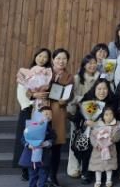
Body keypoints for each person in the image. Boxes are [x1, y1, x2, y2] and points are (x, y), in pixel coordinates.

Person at [13, 48, 52, 182]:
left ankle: (39, 168)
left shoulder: (48, 74)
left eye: (45, 57)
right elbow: (21, 92)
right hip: (28, 110)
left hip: (42, 110)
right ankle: (25, 169)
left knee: (40, 138)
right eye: (40, 56)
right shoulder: (26, 73)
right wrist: (33, 96)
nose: (42, 59)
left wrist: (44, 101)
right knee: (26, 138)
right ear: (35, 56)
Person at [48, 48, 74, 187]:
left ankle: (53, 177)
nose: (61, 61)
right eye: (58, 58)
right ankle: (40, 175)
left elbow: (70, 94)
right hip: (44, 111)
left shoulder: (69, 77)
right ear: (53, 60)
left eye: (64, 59)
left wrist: (66, 100)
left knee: (56, 147)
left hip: (58, 112)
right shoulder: (45, 72)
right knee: (41, 145)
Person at [19, 106, 55, 187]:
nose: (48, 116)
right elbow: (23, 139)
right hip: (31, 155)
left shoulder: (49, 128)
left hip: (44, 156)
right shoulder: (31, 126)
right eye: (46, 114)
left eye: (50, 114)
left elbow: (53, 138)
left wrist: (48, 143)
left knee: (44, 174)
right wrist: (29, 145)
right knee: (32, 175)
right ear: (39, 115)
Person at [89, 106, 120, 187]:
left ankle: (108, 180)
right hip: (98, 150)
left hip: (110, 149)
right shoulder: (97, 124)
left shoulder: (116, 125)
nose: (109, 116)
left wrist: (113, 138)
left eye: (111, 114)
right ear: (103, 116)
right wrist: (96, 145)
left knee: (109, 166)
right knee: (98, 166)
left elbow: (119, 136)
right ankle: (98, 181)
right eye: (106, 114)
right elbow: (92, 136)